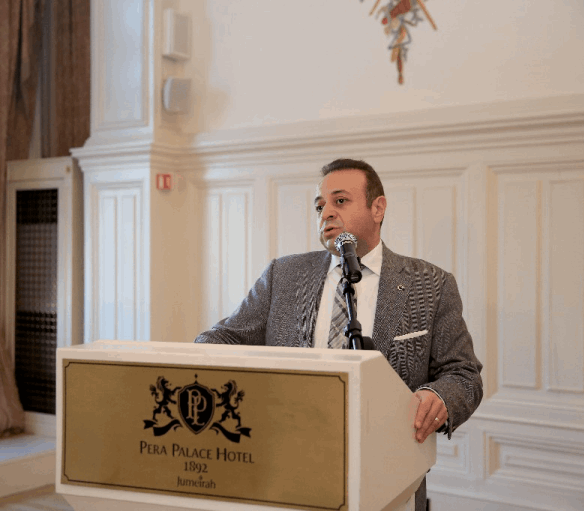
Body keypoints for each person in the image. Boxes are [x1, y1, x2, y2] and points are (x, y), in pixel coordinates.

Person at [195, 158, 483, 511]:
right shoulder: (283, 276)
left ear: (378, 208)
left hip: (388, 475)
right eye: (320, 206)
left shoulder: (430, 284)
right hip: (286, 471)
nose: (327, 213)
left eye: (340, 201)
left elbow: (463, 374)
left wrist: (438, 396)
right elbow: (221, 339)